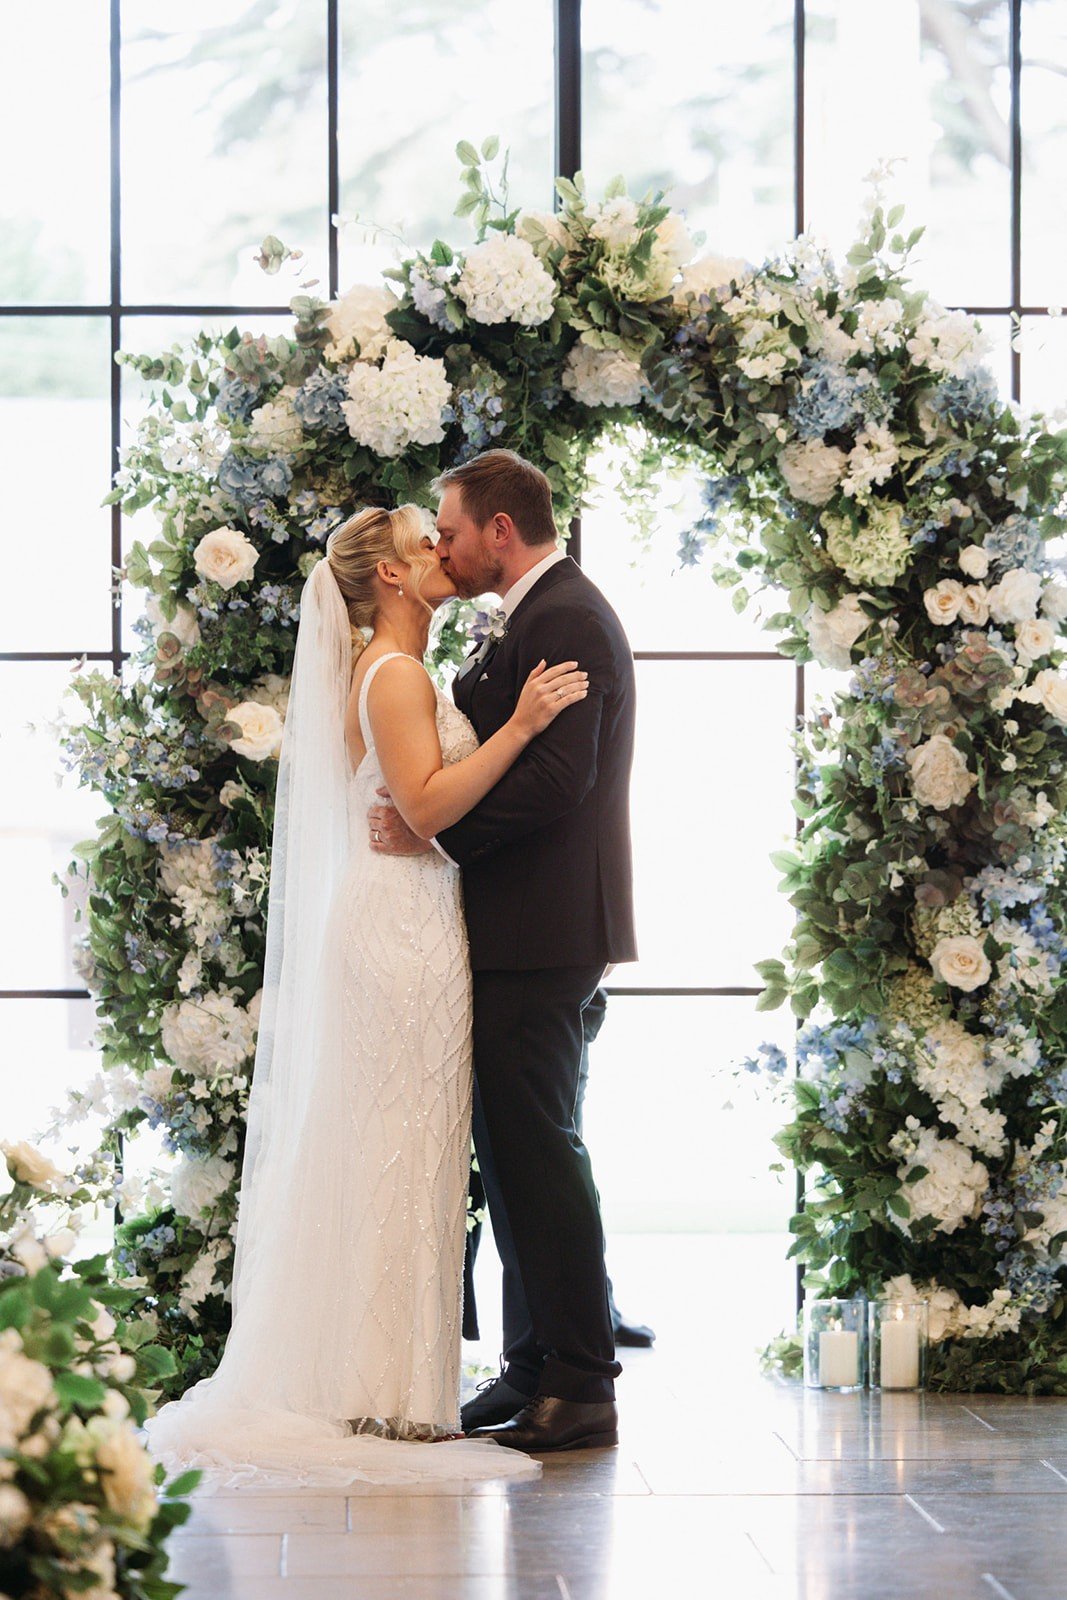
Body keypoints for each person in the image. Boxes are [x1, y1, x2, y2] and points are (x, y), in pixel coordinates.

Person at [145, 504, 586, 1489]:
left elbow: (416, 806)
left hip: (418, 924)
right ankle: (382, 1395)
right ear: (388, 577)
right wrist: (522, 722)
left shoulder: (397, 669)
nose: (443, 550)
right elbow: (424, 805)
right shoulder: (392, 674)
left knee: (412, 1150)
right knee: (399, 1147)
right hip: (397, 937)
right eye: (425, 542)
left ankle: (398, 1389)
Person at [370, 450, 637, 1453]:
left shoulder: (563, 617)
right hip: (521, 925)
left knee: (539, 1150)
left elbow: (557, 783)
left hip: (544, 925)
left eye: (447, 527)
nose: (438, 544)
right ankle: (530, 1367)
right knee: (517, 1151)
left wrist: (438, 835)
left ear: (498, 529)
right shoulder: (530, 616)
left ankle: (581, 1380)